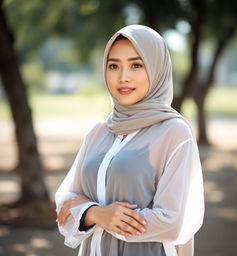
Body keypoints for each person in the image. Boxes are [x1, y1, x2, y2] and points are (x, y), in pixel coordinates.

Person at [55, 24, 204, 256]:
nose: (123, 77)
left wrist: (97, 215)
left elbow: (173, 221)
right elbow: (65, 203)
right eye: (113, 66)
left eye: (136, 65)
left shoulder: (174, 133)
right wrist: (95, 214)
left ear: (156, 68)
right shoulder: (99, 132)